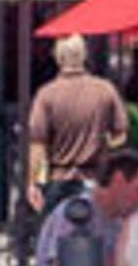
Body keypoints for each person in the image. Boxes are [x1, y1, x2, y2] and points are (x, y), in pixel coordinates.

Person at [25, 33, 130, 205]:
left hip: (60, 180)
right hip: (94, 178)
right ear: (84, 56)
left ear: (58, 58)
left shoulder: (46, 95)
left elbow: (38, 146)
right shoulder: (105, 90)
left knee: (58, 230)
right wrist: (104, 143)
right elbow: (122, 135)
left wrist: (34, 183)